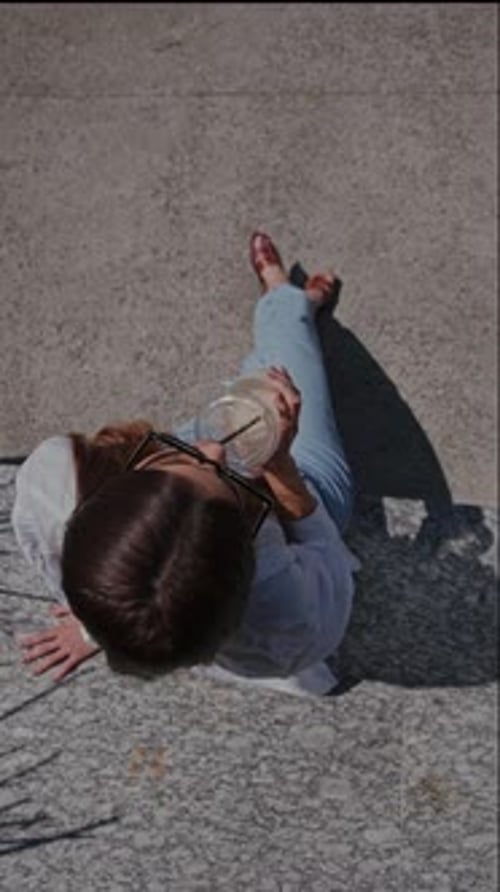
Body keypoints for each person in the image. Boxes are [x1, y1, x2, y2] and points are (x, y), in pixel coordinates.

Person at [12, 232, 360, 698]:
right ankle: (288, 304)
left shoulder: (56, 483)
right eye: (231, 488)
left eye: (168, 463)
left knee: (246, 395)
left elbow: (85, 570)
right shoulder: (293, 616)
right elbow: (324, 551)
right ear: (247, 559)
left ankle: (287, 315)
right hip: (299, 498)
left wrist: (101, 625)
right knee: (281, 375)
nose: (215, 450)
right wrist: (278, 466)